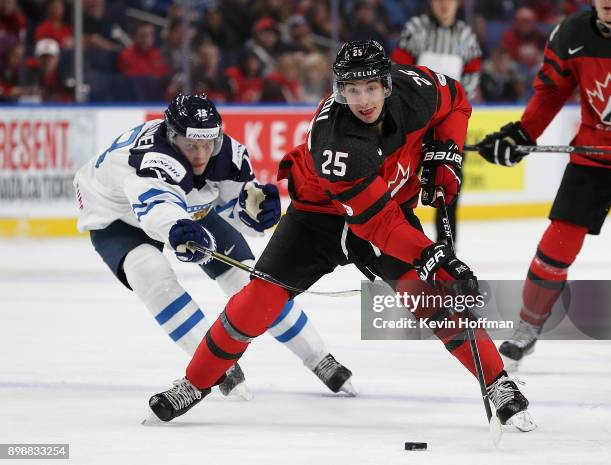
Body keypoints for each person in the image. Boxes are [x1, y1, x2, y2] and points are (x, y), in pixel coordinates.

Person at [147, 40, 536, 432]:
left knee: (430, 298)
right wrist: (430, 255)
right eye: (351, 90)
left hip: (387, 211)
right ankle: (195, 382)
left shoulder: (415, 88)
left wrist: (445, 153)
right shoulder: (337, 142)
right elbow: (376, 225)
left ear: (387, 84)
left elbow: (457, 101)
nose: (362, 99)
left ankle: (498, 382)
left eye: (369, 88)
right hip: (319, 219)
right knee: (258, 300)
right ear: (339, 91)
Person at [73, 94, 355, 399]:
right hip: (115, 216)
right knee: (151, 274)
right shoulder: (150, 162)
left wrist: (255, 213)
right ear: (171, 137)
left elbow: (235, 207)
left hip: (184, 209)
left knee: (249, 281)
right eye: (191, 145)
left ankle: (319, 357)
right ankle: (217, 366)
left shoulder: (226, 153)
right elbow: (157, 210)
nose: (200, 155)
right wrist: (177, 229)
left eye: (208, 144)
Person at [476, 1, 611, 371]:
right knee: (556, 245)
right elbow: (552, 92)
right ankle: (528, 326)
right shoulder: (572, 33)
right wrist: (522, 134)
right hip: (593, 158)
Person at [390, 0, 482, 244]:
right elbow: (397, 73)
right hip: (414, 125)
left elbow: (472, 78)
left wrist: (452, 112)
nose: (444, 5)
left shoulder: (466, 36)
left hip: (448, 126)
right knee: (400, 187)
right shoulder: (416, 29)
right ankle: (399, 246)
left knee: (448, 189)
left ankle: (446, 250)